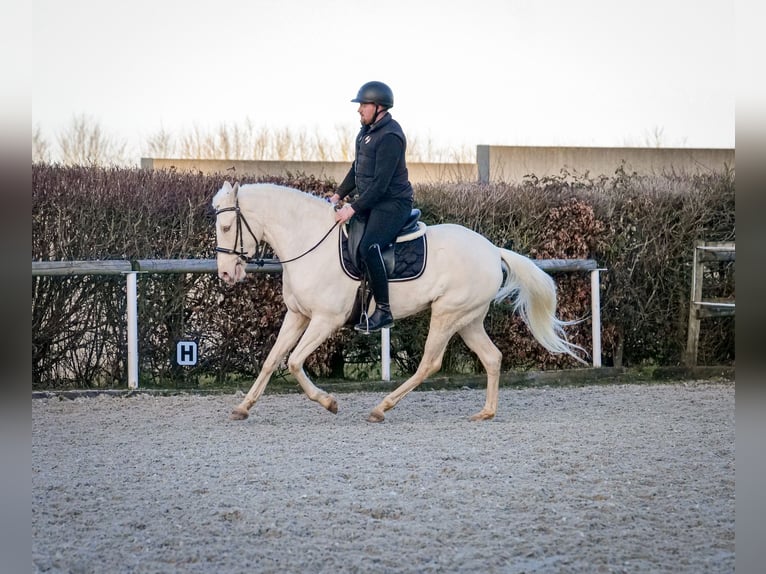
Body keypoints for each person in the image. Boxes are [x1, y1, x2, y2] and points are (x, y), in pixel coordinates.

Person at [330, 81, 415, 333]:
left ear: (379, 107)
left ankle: (383, 311)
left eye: (363, 105)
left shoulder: (390, 136)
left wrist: (351, 209)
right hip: (373, 201)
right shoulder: (365, 132)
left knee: (370, 246)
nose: (359, 110)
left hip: (393, 203)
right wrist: (337, 196)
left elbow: (380, 185)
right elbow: (357, 169)